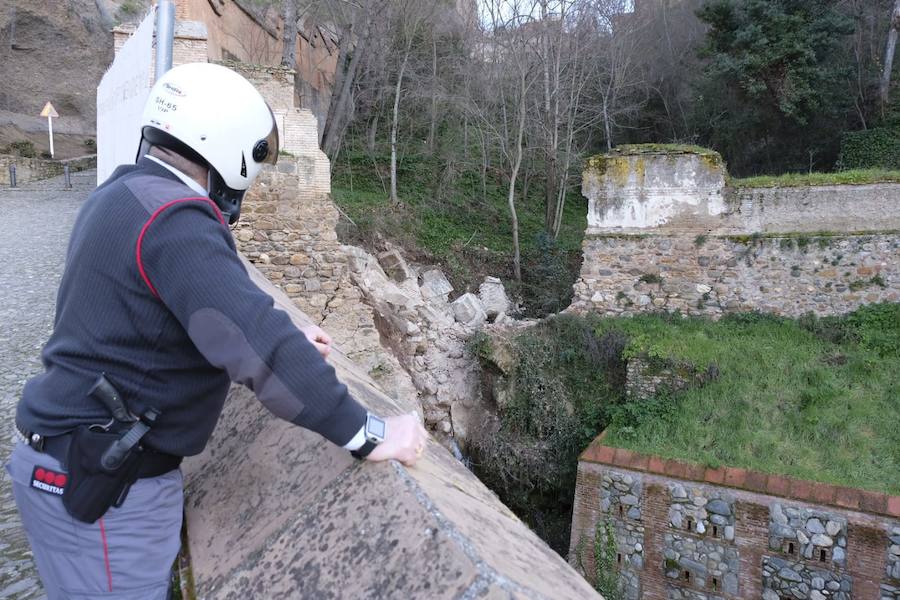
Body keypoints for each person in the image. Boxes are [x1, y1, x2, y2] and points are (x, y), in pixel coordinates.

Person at [6, 62, 427, 599]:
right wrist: (370, 434)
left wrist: (284, 341)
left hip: (65, 464)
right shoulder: (175, 220)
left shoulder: (121, 197)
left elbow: (154, 323)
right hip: (103, 484)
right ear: (229, 148)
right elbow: (257, 338)